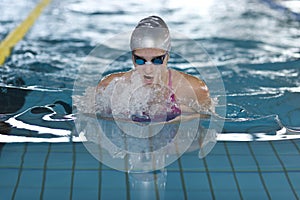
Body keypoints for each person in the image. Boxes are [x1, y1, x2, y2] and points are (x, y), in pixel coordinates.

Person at [97, 16, 214, 122]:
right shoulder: (110, 87)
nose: (148, 70)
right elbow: (88, 117)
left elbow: (210, 121)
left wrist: (189, 117)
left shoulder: (193, 89)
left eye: (157, 60)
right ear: (132, 58)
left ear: (167, 57)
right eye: (140, 60)